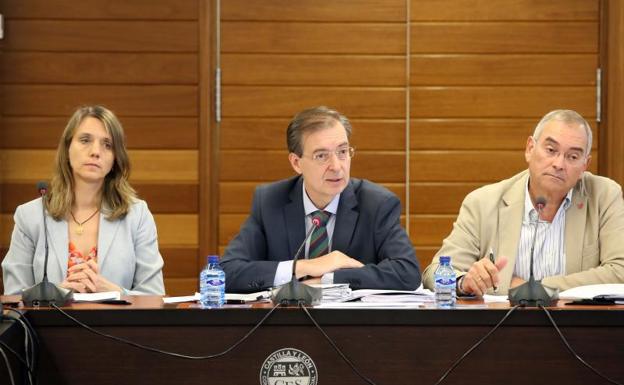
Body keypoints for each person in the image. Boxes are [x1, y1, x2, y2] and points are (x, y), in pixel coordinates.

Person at [423, 109, 624, 296]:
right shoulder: (483, 203)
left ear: (584, 166)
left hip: (577, 328)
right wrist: (463, 282)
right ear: (530, 149)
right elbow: (434, 273)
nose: (559, 164)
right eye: (551, 150)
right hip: (502, 328)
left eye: (572, 156)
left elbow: (620, 271)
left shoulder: (603, 195)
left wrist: (534, 289)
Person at [220, 106, 421, 293]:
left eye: (342, 152)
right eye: (321, 156)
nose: (336, 166)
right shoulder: (271, 201)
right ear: (296, 163)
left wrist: (327, 279)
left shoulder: (376, 204)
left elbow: (407, 273)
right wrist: (305, 267)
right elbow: (224, 273)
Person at [2, 105, 165, 295]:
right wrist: (56, 295)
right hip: (46, 326)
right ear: (67, 148)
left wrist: (116, 293)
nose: (95, 151)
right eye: (85, 140)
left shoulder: (137, 215)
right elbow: (13, 298)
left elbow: (154, 295)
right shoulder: (30, 216)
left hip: (116, 325)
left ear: (115, 158)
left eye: (107, 144)